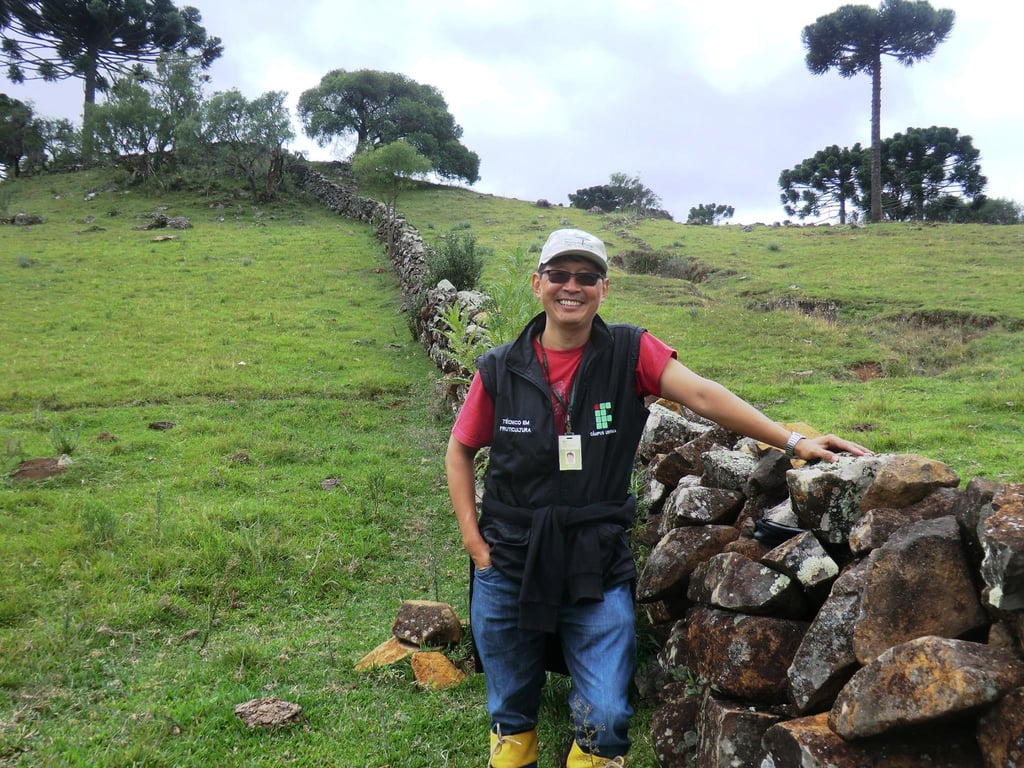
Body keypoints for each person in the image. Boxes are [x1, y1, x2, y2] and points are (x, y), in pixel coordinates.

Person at [445, 228, 871, 768]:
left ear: (604, 288)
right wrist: (474, 543)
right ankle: (514, 751)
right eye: (559, 275)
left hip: (594, 553)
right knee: (509, 701)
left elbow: (700, 393)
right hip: (506, 552)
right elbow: (459, 451)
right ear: (538, 284)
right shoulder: (499, 367)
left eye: (586, 277)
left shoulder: (629, 351)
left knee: (607, 710)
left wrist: (792, 440)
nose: (571, 286)